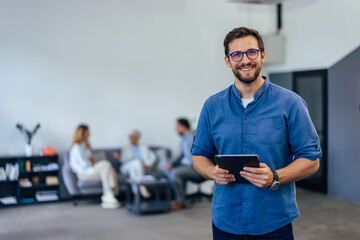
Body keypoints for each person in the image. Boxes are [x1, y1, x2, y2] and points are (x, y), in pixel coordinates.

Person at [191, 27, 322, 239]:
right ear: (228, 61)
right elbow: (198, 156)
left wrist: (275, 177)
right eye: (236, 54)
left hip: (273, 222)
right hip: (226, 221)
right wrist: (211, 172)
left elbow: (311, 159)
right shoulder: (212, 106)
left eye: (251, 52)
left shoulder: (291, 104)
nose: (245, 60)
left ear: (262, 55)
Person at [69, 124, 120, 209]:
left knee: (108, 168)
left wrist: (92, 162)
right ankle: (109, 194)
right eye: (88, 131)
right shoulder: (77, 148)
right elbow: (84, 164)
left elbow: (90, 159)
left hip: (90, 170)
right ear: (82, 133)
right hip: (83, 173)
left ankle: (108, 195)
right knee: (106, 165)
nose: (90, 133)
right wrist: (92, 163)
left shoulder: (85, 146)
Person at [166, 118, 201, 210]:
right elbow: (180, 155)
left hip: (196, 167)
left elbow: (196, 155)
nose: (176, 129)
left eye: (177, 127)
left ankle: (181, 201)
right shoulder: (183, 139)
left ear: (183, 126)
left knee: (175, 173)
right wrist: (171, 163)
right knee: (173, 170)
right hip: (190, 165)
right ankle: (180, 198)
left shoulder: (192, 137)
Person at [114, 130, 156, 198]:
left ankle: (136, 193)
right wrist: (119, 157)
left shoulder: (143, 147)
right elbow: (124, 160)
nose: (131, 139)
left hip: (137, 167)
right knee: (136, 162)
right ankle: (145, 181)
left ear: (138, 138)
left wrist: (148, 164)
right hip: (126, 166)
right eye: (130, 137)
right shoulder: (126, 147)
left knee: (134, 169)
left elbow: (153, 156)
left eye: (133, 137)